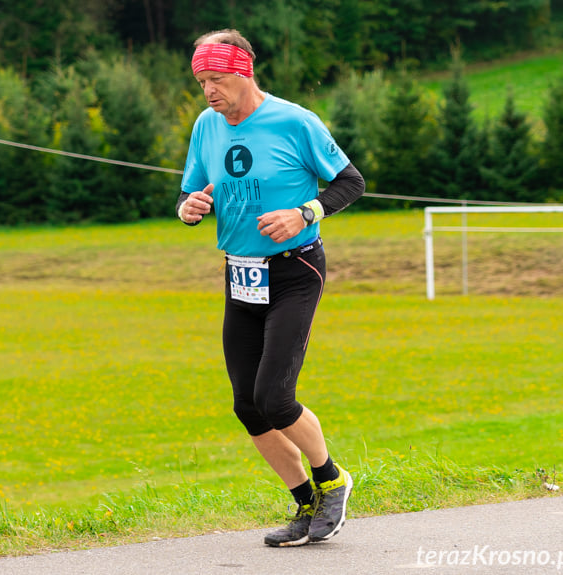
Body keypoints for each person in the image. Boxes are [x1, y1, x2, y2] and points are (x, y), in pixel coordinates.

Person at [176, 29, 365, 547]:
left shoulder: (295, 120)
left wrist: (305, 211)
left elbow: (351, 182)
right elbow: (193, 188)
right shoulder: (206, 125)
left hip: (294, 270)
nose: (209, 91)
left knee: (276, 398)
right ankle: (305, 504)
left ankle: (332, 480)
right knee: (247, 404)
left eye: (216, 79)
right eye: (201, 82)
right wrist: (188, 207)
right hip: (241, 274)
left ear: (244, 72)